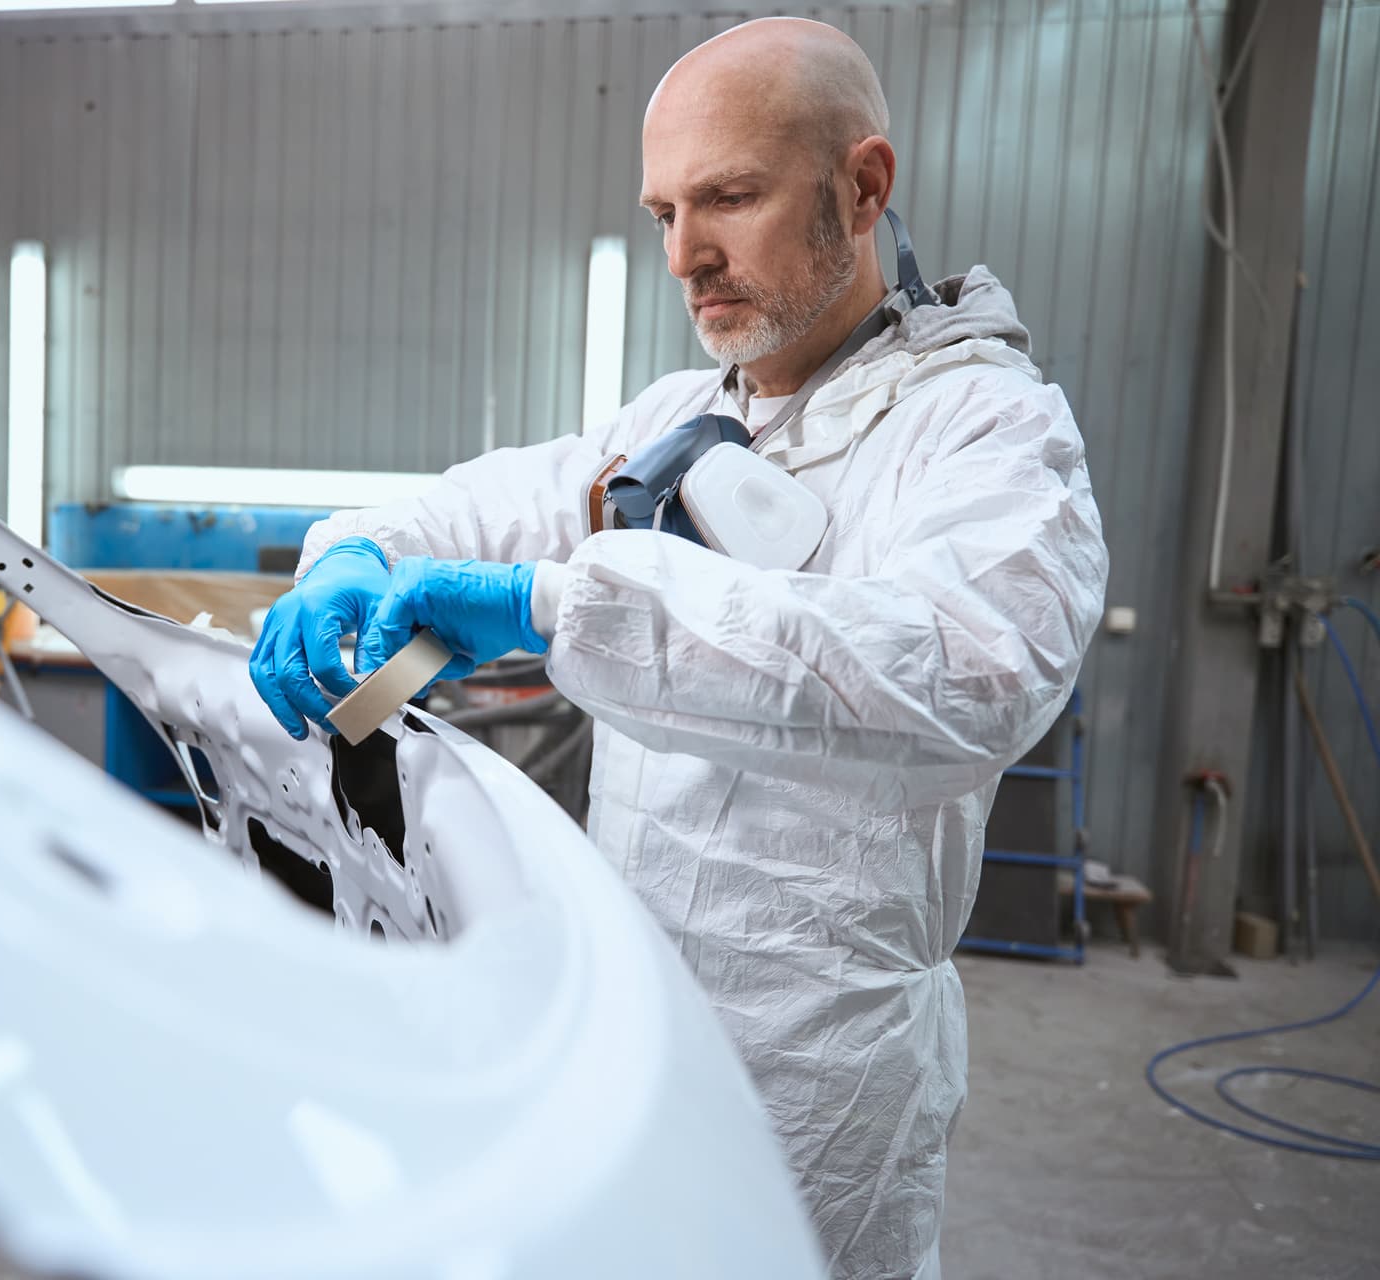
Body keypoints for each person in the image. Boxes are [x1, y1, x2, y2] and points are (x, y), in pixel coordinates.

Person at [250, 16, 1107, 1279]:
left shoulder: (985, 433)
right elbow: (485, 501)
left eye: (730, 198)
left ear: (863, 188)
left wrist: (560, 605)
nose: (684, 255)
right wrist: (355, 551)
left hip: (822, 1066)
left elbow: (966, 671)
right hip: (636, 1015)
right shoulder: (684, 419)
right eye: (662, 211)